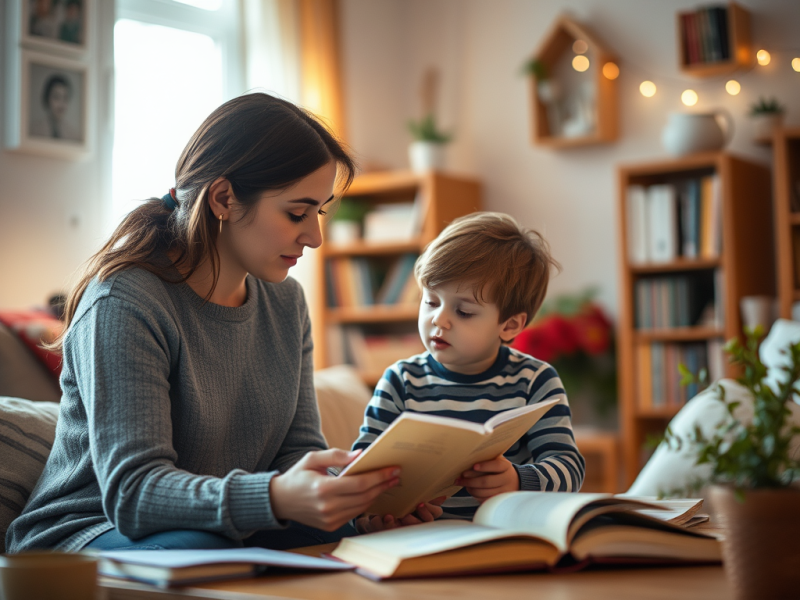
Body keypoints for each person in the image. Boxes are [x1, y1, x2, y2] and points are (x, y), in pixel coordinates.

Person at [7, 92, 402, 553]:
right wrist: (275, 497)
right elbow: (134, 494)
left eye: (319, 211)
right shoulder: (124, 303)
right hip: (88, 532)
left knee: (347, 538)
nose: (314, 236)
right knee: (205, 546)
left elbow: (296, 453)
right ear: (223, 198)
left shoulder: (286, 302)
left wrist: (355, 500)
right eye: (297, 212)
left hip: (221, 528)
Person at [352, 212, 585, 532]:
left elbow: (569, 469)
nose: (440, 320)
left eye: (463, 311)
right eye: (431, 302)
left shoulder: (535, 381)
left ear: (510, 325)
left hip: (504, 536)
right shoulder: (400, 381)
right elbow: (360, 470)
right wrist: (372, 515)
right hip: (415, 536)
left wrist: (518, 479)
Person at [29, 73, 81, 142]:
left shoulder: (73, 136)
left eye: (65, 98)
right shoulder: (34, 130)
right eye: (56, 97)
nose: (61, 104)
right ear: (47, 98)